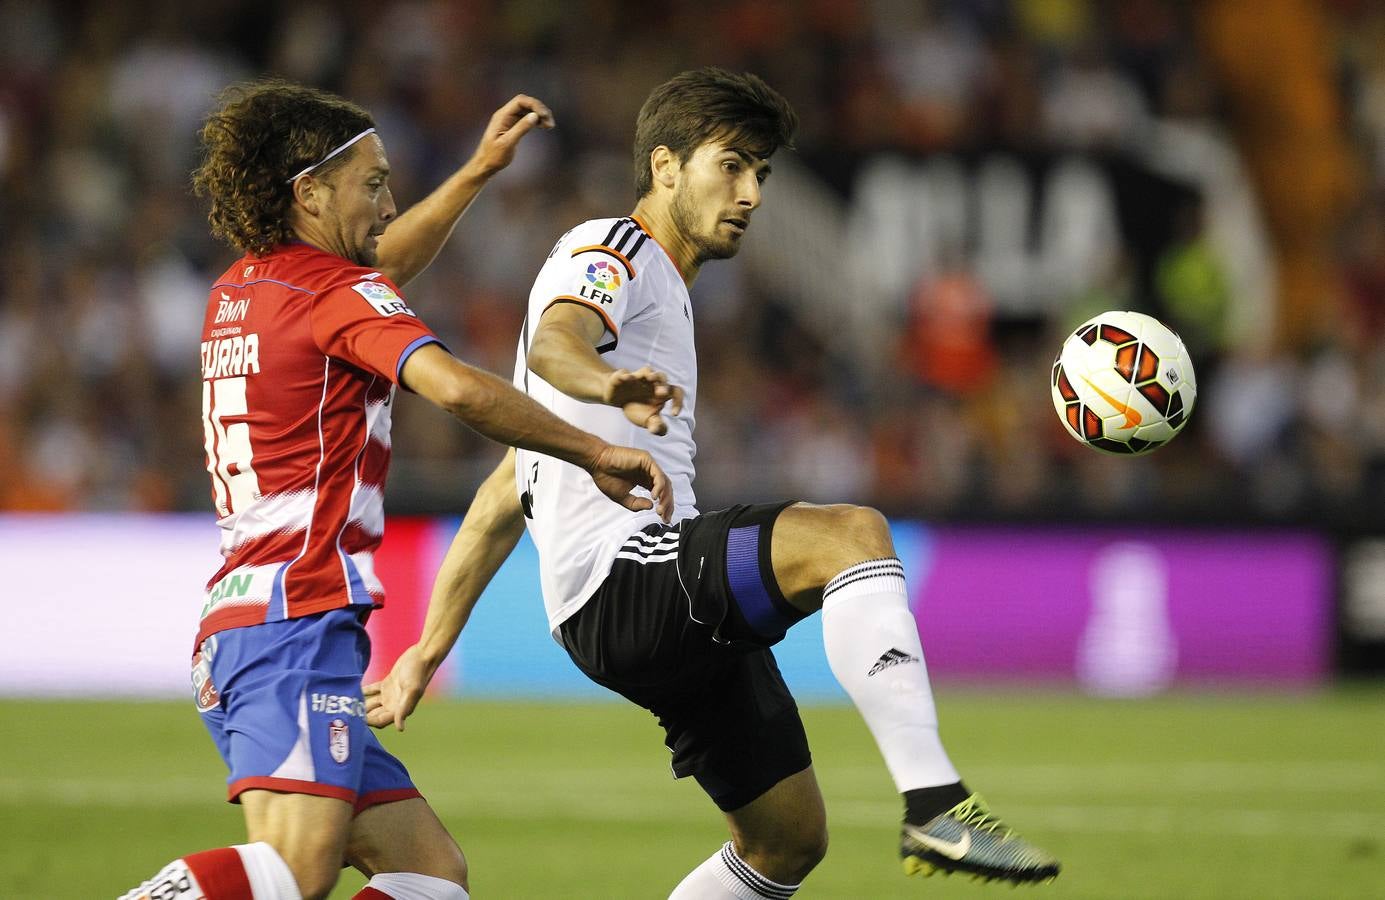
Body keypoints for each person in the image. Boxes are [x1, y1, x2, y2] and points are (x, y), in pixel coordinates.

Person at [367, 68, 1060, 896]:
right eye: (731, 165)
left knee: (786, 841)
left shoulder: (667, 292)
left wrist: (424, 654)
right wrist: (602, 385)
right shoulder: (613, 251)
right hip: (628, 580)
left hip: (620, 610)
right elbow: (558, 342)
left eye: (760, 173)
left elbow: (501, 497)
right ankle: (936, 805)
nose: (752, 193)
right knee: (851, 537)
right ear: (665, 167)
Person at [120, 79, 672, 900]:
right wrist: (591, 446)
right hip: (294, 620)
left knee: (426, 873)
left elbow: (380, 265)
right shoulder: (335, 295)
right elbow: (452, 388)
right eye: (372, 183)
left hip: (246, 618)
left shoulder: (241, 289)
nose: (387, 200)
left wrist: (478, 170)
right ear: (308, 190)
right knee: (295, 872)